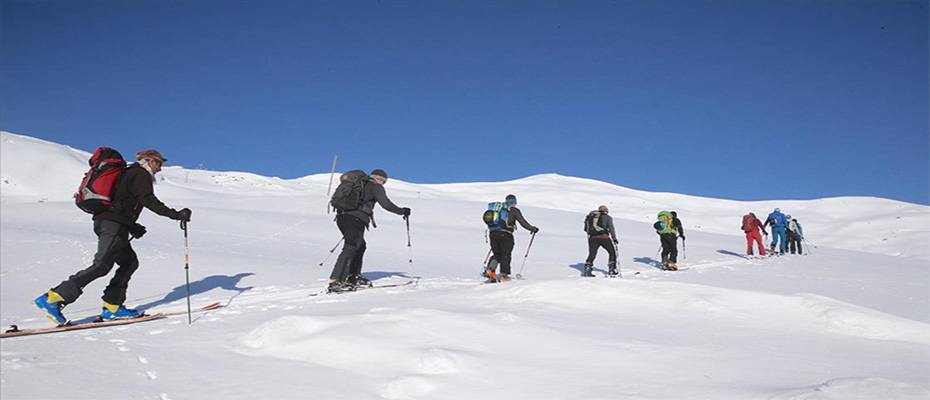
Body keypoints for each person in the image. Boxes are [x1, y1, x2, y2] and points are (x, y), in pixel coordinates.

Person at [34, 149, 192, 324]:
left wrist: (132, 226)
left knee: (129, 262)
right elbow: (148, 200)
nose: (160, 168)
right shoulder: (140, 173)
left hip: (113, 223)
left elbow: (122, 202)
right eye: (159, 163)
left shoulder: (129, 173)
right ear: (149, 160)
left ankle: (112, 306)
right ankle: (54, 298)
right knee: (101, 265)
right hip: (112, 224)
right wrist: (176, 214)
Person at [328, 169, 409, 293]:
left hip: (342, 217)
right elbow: (386, 204)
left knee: (360, 245)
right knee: (351, 246)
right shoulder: (375, 186)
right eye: (384, 182)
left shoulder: (360, 184)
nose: (383, 184)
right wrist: (402, 211)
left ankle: (353, 276)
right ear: (380, 179)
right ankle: (337, 280)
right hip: (356, 218)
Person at [486, 194, 539, 282]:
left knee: (497, 254)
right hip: (506, 234)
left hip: (493, 233)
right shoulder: (514, 210)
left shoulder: (498, 209)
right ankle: (504, 275)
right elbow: (523, 222)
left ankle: (490, 270)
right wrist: (532, 229)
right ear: (514, 202)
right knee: (506, 255)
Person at [583, 205, 619, 277]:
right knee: (612, 252)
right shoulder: (607, 217)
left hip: (592, 238)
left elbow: (585, 229)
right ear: (605, 210)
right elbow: (611, 228)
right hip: (604, 237)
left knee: (592, 254)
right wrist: (614, 238)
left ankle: (588, 269)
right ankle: (612, 269)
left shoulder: (591, 217)